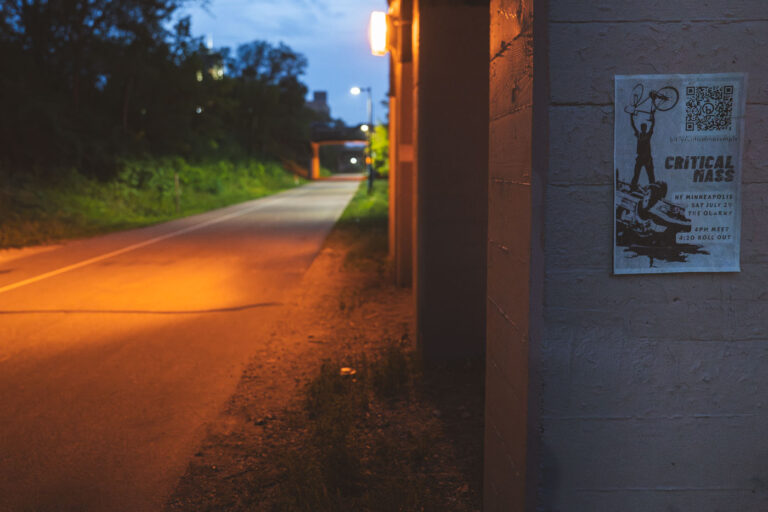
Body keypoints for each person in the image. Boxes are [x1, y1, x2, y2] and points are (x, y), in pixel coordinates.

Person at [630, 110, 655, 189]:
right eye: (642, 128)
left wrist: (653, 116)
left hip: (647, 158)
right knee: (636, 174)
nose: (643, 129)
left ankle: (653, 188)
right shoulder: (639, 135)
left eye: (644, 128)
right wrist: (631, 117)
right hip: (640, 157)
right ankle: (633, 186)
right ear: (641, 128)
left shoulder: (648, 135)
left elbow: (652, 125)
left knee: (650, 175)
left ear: (645, 128)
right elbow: (633, 126)